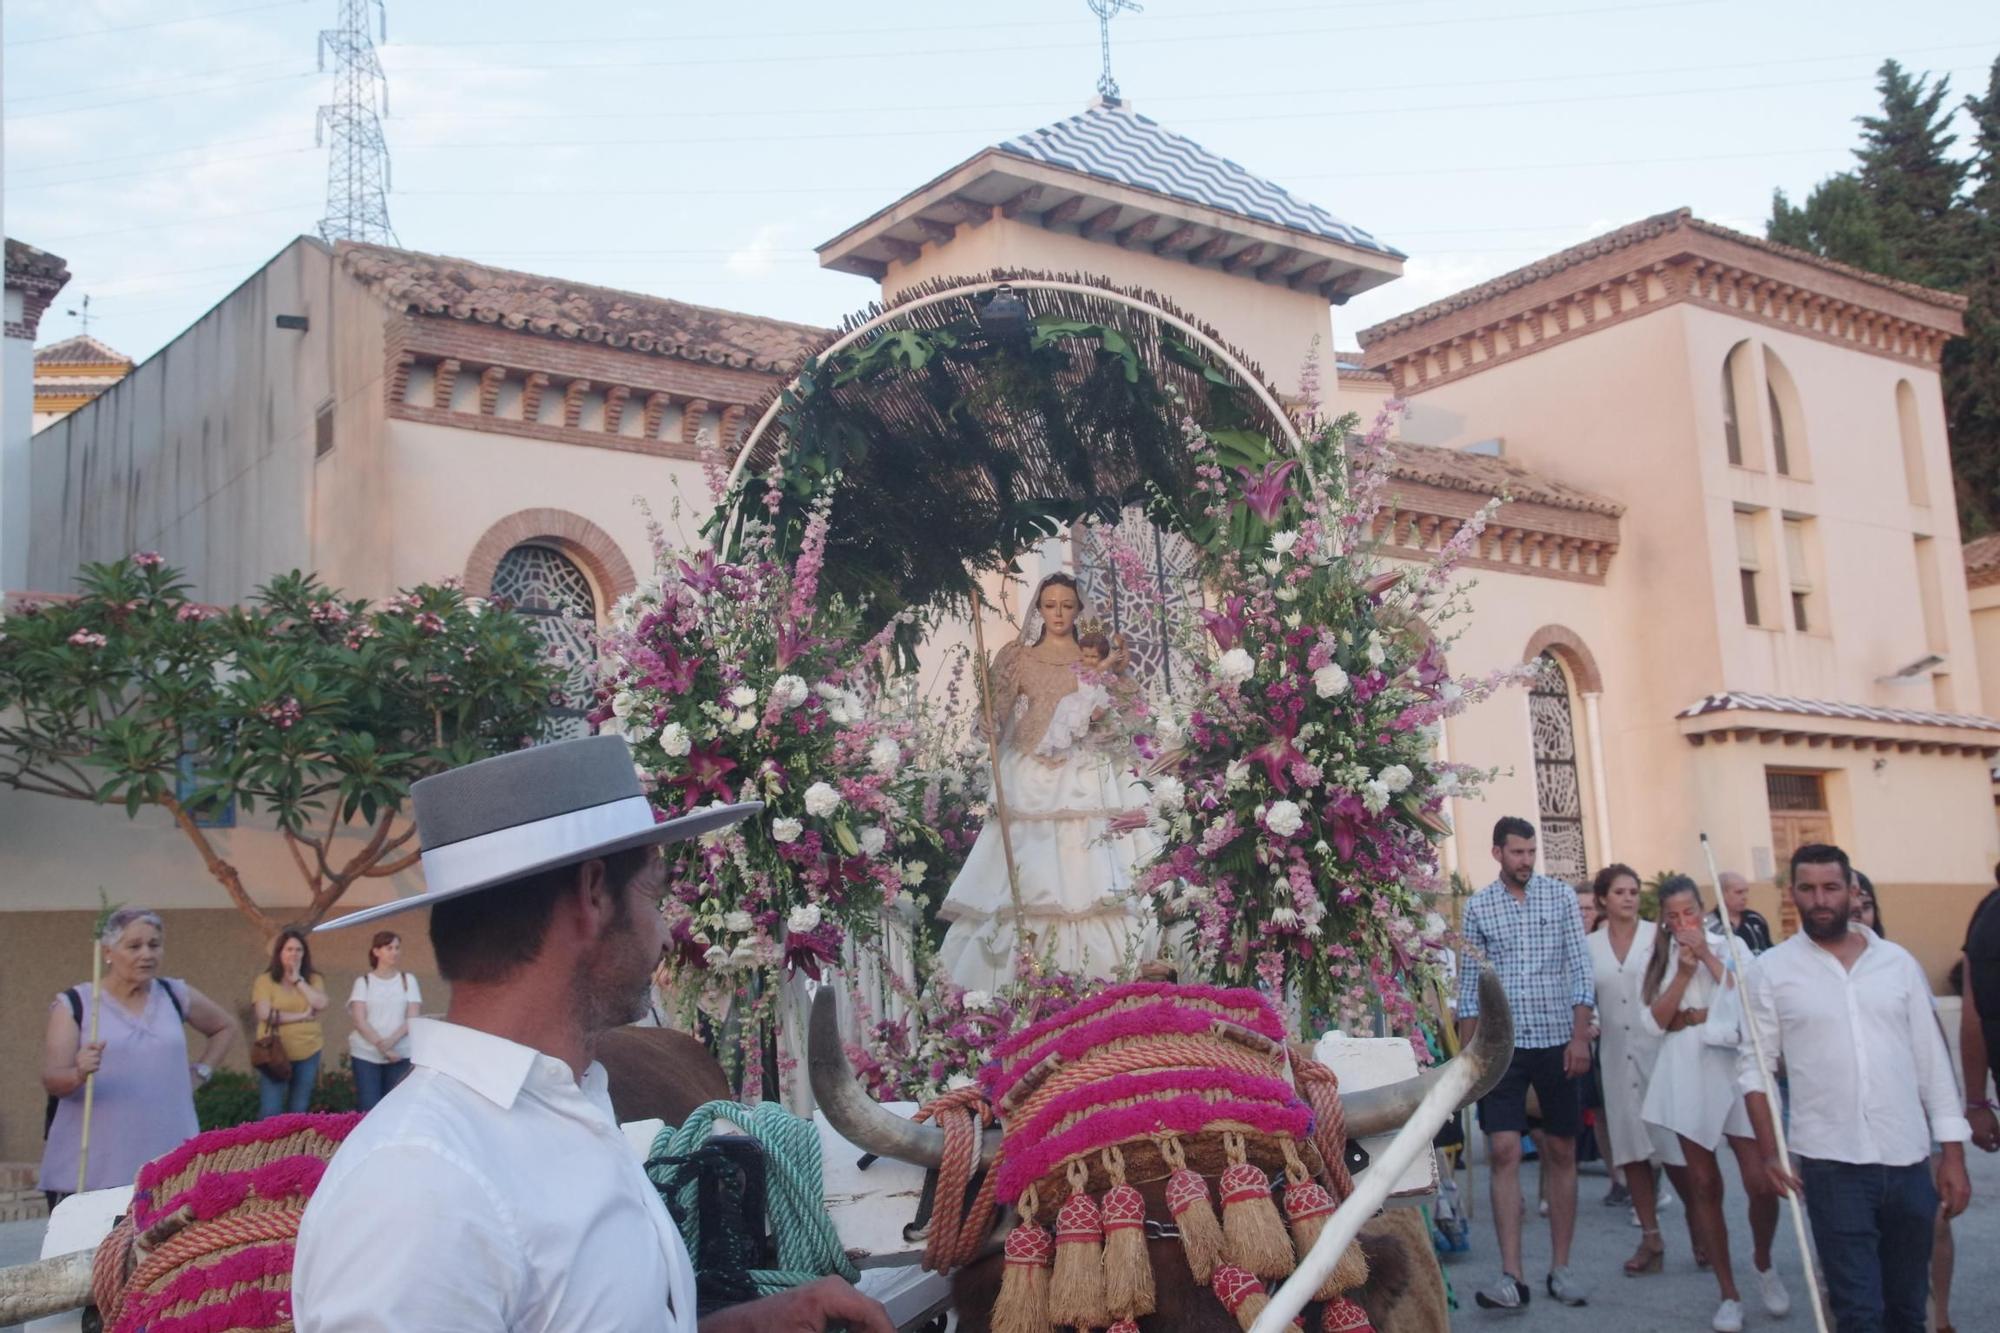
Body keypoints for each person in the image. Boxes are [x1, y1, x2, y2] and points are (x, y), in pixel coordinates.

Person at [293, 733, 891, 1333]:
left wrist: (754, 1323)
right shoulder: (419, 1187)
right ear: (594, 893)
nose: (664, 936)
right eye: (654, 895)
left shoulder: (562, 1108)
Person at [1740, 843, 1972, 1333]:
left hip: (1908, 1161)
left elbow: (1932, 1064)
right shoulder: (1772, 971)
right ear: (1793, 895)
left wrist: (1952, 1155)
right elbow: (1755, 1068)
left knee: (1908, 1310)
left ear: (1852, 891)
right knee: (1859, 1314)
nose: (1819, 899)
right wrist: (1768, 1151)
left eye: (1830, 887)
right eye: (1807, 889)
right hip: (1831, 1164)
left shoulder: (1898, 964)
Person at [937, 572, 1161, 989]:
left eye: (1067, 605)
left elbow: (1129, 709)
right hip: (1030, 767)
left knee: (1096, 867)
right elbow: (999, 708)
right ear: (1038, 609)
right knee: (1026, 868)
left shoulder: (1097, 655)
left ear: (1078, 609)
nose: (1058, 613)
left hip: (1088, 769)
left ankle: (1111, 977)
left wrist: (1114, 684)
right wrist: (989, 721)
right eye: (1050, 605)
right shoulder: (1018, 656)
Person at [1455, 816, 1594, 1311]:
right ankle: (1511, 1276)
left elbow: (1581, 969)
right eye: (1517, 853)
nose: (1526, 861)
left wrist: (1581, 1038)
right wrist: (1468, 1061)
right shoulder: (1479, 907)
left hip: (1558, 1043)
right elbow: (1469, 983)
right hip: (1504, 1049)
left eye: (1531, 852)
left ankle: (1562, 1267)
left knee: (1560, 1151)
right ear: (1497, 854)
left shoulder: (1559, 899)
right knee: (1505, 1151)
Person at [1638, 876, 1785, 1332]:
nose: (1684, 923)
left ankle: (1762, 1260)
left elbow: (1746, 998)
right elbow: (1653, 1023)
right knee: (1703, 1182)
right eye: (1674, 916)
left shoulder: (1733, 946)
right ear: (1664, 919)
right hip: (1685, 1063)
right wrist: (1682, 973)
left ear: (1704, 911)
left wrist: (1706, 955)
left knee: (1760, 1180)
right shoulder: (1660, 957)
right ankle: (1728, 1291)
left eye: (1690, 913)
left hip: (1732, 1063)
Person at [39, 908, 235, 1209]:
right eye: (134, 946)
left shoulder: (174, 994)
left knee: (163, 1254)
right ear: (108, 952)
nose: (146, 954)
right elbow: (52, 1079)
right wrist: (78, 1072)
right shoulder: (76, 1004)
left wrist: (200, 1073)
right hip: (94, 1170)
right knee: (90, 1255)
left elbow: (224, 1027)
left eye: (154, 945)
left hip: (168, 1162)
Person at [1586, 863, 1695, 1276]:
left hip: (1659, 1051)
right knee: (1631, 1151)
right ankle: (1651, 1238)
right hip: (1614, 1055)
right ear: (1603, 900)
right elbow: (1586, 994)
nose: (1629, 898)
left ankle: (1700, 1228)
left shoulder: (1657, 937)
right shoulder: (1590, 945)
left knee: (1673, 1149)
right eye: (1619, 892)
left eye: (1633, 891)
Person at [253, 927, 330, 1117]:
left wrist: (298, 981)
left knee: (299, 1109)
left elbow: (320, 1002)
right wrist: (302, 1016)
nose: (294, 954)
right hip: (273, 1053)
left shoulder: (313, 979)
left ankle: (294, 1147)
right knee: (271, 1110)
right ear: (279, 952)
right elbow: (264, 1013)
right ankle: (270, 1147)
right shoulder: (265, 981)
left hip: (308, 1050)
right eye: (289, 949)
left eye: (298, 950)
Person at [347, 930, 422, 1111]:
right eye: (389, 948)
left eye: (397, 948)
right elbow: (360, 1020)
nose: (394, 952)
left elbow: (412, 1016)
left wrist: (391, 1043)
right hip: (366, 1054)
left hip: (400, 1053)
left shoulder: (407, 980)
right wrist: (383, 1046)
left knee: (395, 1108)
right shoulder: (363, 982)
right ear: (376, 951)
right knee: (368, 1107)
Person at [1708, 871, 1774, 955]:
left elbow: (1770, 950)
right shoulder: (1710, 925)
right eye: (1739, 892)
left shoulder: (1755, 920)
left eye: (1746, 892)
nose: (1744, 897)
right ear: (1721, 893)